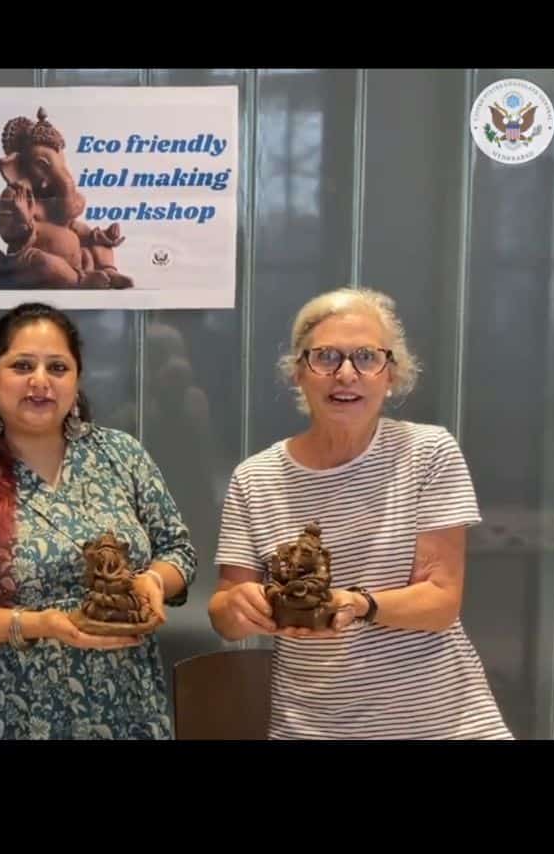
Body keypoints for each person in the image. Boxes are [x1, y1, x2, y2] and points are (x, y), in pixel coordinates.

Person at [208, 286, 512, 739]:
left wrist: (358, 604)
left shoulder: (428, 453)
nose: (345, 374)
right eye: (326, 357)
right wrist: (239, 608)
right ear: (298, 372)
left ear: (392, 375)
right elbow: (225, 613)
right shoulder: (255, 478)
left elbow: (441, 601)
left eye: (367, 358)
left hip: (442, 724)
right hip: (312, 726)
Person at [0, 302, 197, 739]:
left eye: (57, 367)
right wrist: (37, 624)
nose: (40, 381)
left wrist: (153, 583)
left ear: (76, 381)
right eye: (22, 365)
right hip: (1, 714)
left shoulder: (121, 455)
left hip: (126, 709)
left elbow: (178, 549)